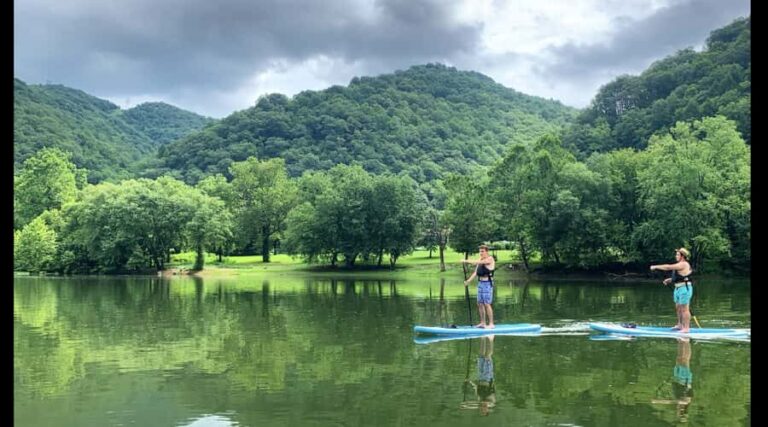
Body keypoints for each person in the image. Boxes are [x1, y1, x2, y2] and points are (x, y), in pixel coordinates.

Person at [650, 248, 694, 332]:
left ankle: (686, 328)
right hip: (677, 289)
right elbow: (681, 276)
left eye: (677, 255)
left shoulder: (684, 264)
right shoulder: (679, 265)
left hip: (685, 289)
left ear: (682, 256)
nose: (676, 256)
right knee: (678, 308)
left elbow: (668, 267)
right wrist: (670, 280)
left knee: (685, 309)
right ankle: (680, 325)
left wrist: (656, 266)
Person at [651, 338, 693, 422]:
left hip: (678, 379)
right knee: (685, 359)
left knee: (679, 358)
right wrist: (660, 401)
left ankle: (681, 341)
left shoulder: (681, 402)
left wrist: (660, 401)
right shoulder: (685, 402)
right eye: (679, 413)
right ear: (683, 411)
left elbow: (673, 401)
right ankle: (686, 342)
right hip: (684, 379)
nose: (678, 411)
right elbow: (673, 401)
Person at [462, 245, 496, 329]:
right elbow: (476, 272)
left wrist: (466, 260)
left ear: (486, 251)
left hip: (487, 283)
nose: (481, 253)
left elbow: (478, 263)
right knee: (479, 303)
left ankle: (491, 324)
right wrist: (468, 281)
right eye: (480, 251)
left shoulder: (490, 259)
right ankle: (483, 323)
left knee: (487, 303)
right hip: (480, 283)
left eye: (482, 251)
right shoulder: (480, 260)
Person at [462, 335, 496, 416]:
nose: (482, 409)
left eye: (482, 411)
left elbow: (476, 387)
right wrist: (471, 405)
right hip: (488, 377)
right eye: (484, 411)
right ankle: (491, 339)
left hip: (480, 377)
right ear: (487, 410)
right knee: (487, 356)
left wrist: (469, 382)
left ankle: (483, 338)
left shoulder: (479, 400)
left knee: (481, 356)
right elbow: (486, 402)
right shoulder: (491, 403)